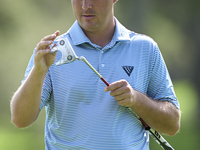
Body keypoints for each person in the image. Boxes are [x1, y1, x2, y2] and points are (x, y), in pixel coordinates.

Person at [10, 0, 181, 149]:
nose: (86, 6)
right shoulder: (53, 52)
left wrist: (137, 100)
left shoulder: (145, 48)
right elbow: (20, 119)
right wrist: (39, 71)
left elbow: (172, 124)